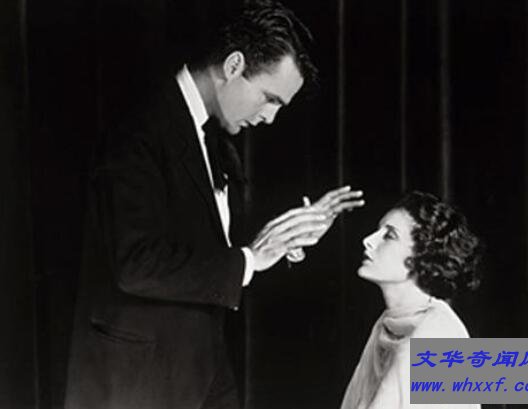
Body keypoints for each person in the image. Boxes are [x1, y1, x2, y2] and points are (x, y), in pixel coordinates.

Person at [64, 2, 364, 409]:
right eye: (270, 99)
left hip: (198, 369)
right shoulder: (141, 126)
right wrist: (256, 255)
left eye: (390, 234)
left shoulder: (436, 337)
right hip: (140, 379)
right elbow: (136, 263)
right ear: (234, 65)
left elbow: (210, 246)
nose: (270, 118)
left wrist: (282, 240)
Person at [340, 191, 482, 409]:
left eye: (389, 235)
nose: (368, 241)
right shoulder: (388, 323)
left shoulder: (437, 333)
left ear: (421, 256)